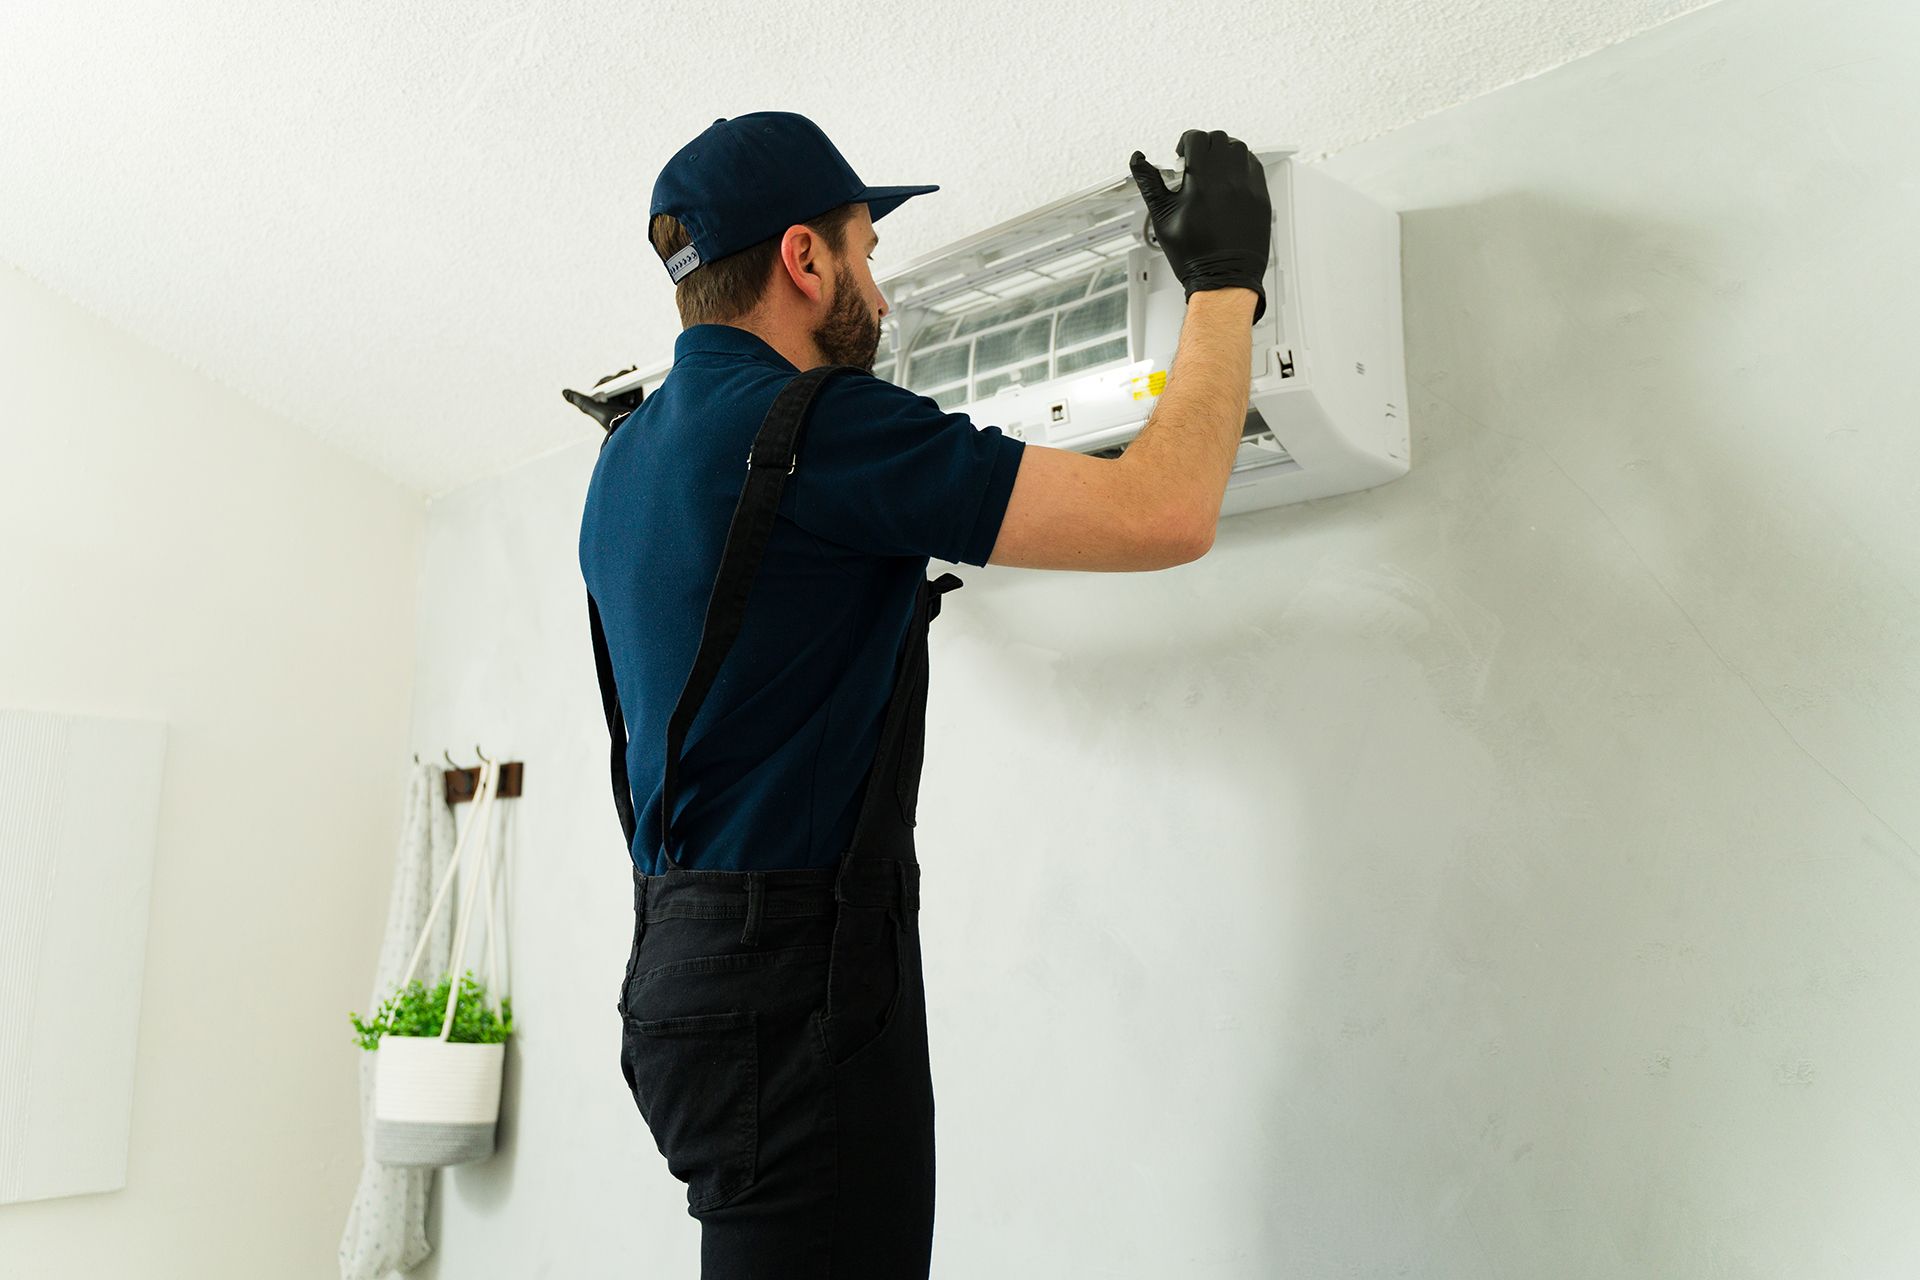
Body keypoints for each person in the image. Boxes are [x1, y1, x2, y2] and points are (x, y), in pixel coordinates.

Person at [574, 110, 1271, 1278]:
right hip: (800, 988)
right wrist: (1224, 282)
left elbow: (764, 634)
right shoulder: (818, 430)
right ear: (805, 258)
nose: (881, 299)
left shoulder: (625, 456)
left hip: (678, 971)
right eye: (867, 253)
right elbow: (1165, 509)